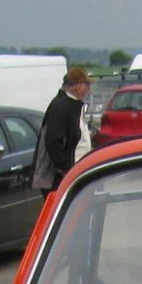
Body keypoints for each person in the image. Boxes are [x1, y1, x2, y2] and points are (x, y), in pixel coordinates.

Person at [33, 65, 89, 194]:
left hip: (72, 174)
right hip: (57, 180)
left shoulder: (72, 105)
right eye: (87, 85)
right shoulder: (61, 107)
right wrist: (67, 171)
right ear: (79, 86)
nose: (89, 90)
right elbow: (53, 141)